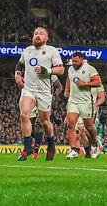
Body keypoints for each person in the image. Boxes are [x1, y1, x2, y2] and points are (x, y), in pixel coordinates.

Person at [15, 26, 64, 161]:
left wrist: (47, 71)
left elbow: (60, 70)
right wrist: (18, 75)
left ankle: (51, 144)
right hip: (28, 89)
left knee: (44, 122)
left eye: (41, 34)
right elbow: (20, 65)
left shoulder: (51, 51)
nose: (37, 35)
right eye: (35, 33)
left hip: (44, 92)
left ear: (46, 38)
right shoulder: (27, 51)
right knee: (24, 115)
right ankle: (27, 148)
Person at [64, 52, 102, 159]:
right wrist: (67, 89)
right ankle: (74, 150)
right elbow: (69, 79)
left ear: (81, 60)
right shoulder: (70, 69)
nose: (74, 63)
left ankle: (95, 145)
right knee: (71, 124)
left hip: (85, 102)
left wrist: (85, 84)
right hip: (73, 101)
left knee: (88, 127)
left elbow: (98, 82)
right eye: (72, 61)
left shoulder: (90, 69)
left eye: (76, 61)